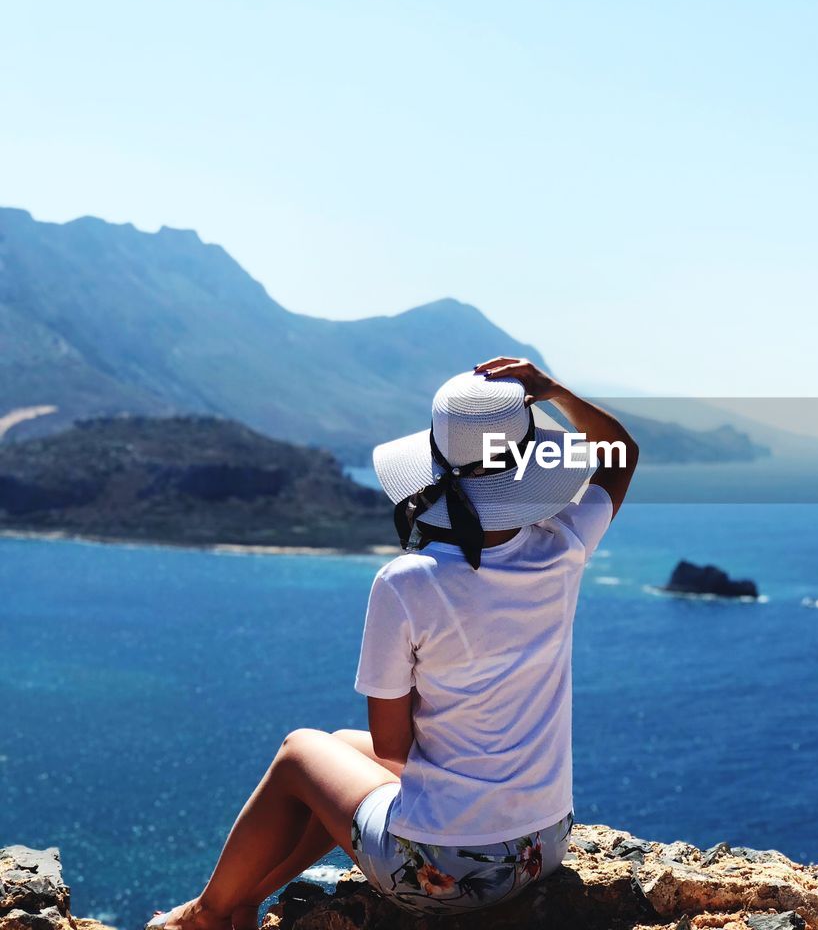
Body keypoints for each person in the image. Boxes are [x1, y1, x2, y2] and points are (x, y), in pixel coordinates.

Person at [148, 357, 638, 928]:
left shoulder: (407, 582)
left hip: (445, 876)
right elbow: (619, 453)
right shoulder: (564, 546)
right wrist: (552, 391)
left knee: (300, 751)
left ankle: (204, 915)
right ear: (529, 466)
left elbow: (392, 749)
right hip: (542, 849)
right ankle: (248, 895)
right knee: (338, 749)